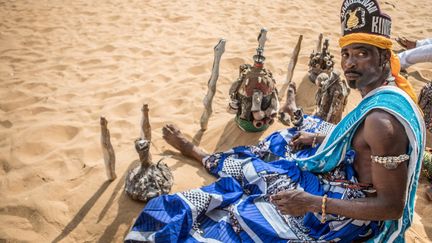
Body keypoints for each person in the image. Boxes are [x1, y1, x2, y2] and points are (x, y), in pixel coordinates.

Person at [125, 0, 425, 242]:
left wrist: (311, 203)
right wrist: (322, 140)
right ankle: (204, 156)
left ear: (385, 59)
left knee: (251, 205)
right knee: (285, 140)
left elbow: (391, 207)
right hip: (348, 175)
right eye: (346, 53)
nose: (349, 63)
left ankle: (199, 154)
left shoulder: (382, 122)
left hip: (352, 212)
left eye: (362, 53)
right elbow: (361, 141)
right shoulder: (389, 93)